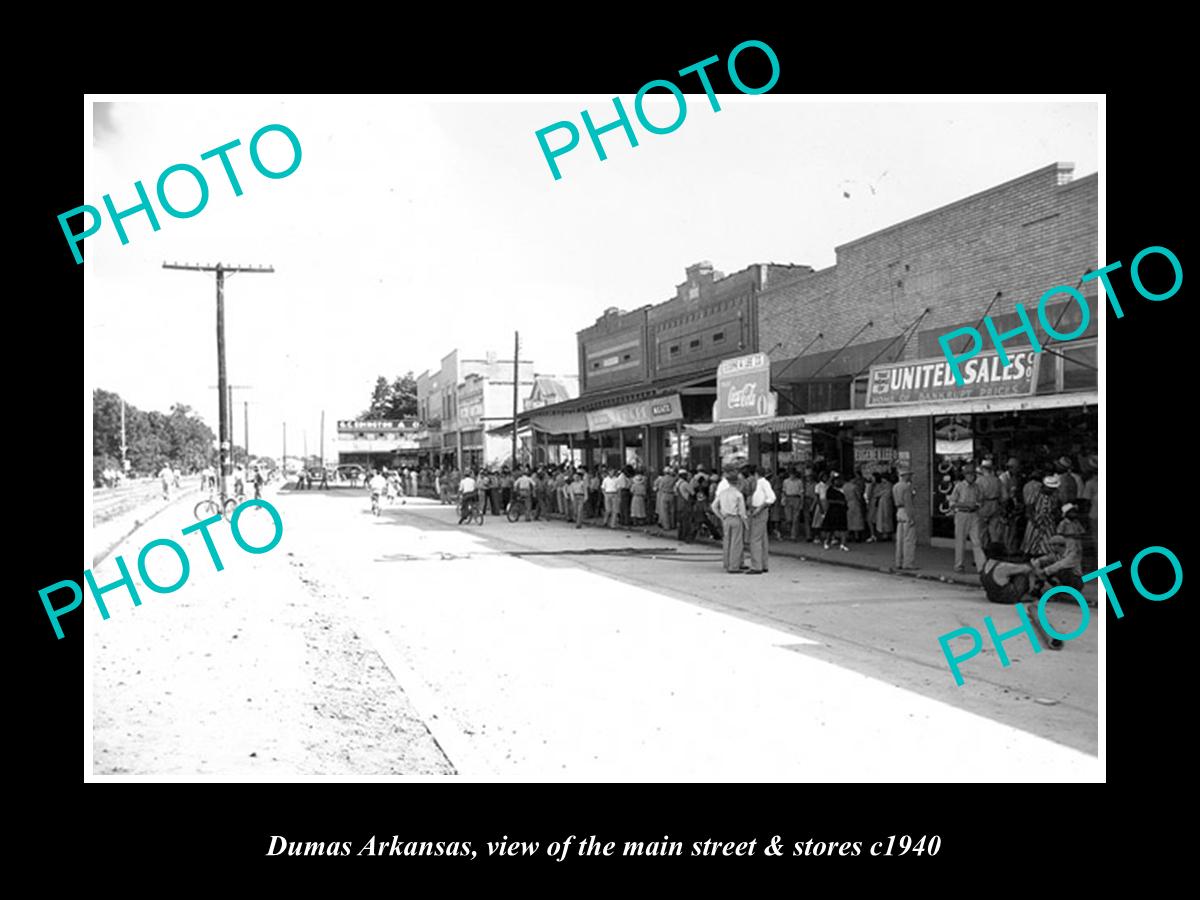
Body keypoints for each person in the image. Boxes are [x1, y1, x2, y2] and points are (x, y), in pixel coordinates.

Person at [711, 465, 749, 574]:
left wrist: (721, 516)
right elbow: (742, 512)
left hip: (726, 518)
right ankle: (734, 566)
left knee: (727, 541)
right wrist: (746, 523)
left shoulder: (722, 492)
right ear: (737, 482)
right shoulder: (738, 494)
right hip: (736, 518)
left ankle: (727, 563)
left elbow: (714, 506)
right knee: (736, 543)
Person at [949, 465, 984, 573]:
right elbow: (952, 503)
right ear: (965, 475)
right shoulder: (959, 486)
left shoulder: (977, 487)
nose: (972, 477)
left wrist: (976, 505)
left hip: (974, 514)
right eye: (969, 474)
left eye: (973, 475)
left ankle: (981, 566)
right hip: (962, 515)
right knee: (960, 541)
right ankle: (958, 565)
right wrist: (965, 505)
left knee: (977, 540)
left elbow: (980, 501)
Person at [747, 464, 776, 573]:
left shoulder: (763, 483)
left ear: (756, 474)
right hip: (759, 510)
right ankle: (763, 564)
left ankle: (756, 566)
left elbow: (771, 498)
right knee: (762, 539)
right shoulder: (761, 483)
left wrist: (759, 508)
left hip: (760, 511)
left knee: (755, 539)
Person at [1023, 474, 1060, 557]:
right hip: (1035, 518)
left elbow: (1055, 508)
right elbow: (1029, 507)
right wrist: (1032, 519)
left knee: (1048, 541)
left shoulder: (1054, 495)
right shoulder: (1036, 493)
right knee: (1032, 539)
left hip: (1048, 520)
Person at [892, 465, 918, 569]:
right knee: (909, 539)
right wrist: (911, 517)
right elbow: (908, 503)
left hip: (899, 511)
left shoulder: (896, 486)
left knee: (900, 539)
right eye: (910, 475)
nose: (911, 476)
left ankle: (898, 562)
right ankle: (908, 563)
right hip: (906, 511)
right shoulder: (906, 487)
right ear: (906, 475)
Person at [976, 458, 1003, 545]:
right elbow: (1005, 496)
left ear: (983, 469)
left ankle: (982, 549)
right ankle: (994, 550)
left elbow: (978, 496)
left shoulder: (979, 481)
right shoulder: (997, 480)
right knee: (993, 529)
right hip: (995, 505)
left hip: (984, 505)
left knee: (981, 530)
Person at [823, 474, 850, 551]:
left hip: (842, 511)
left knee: (843, 528)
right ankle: (827, 542)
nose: (838, 482)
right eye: (837, 480)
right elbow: (828, 500)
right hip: (832, 510)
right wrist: (838, 502)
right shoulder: (830, 490)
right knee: (830, 528)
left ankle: (843, 544)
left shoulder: (844, 489)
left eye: (840, 480)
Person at [782, 468, 804, 542]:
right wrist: (783, 499)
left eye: (793, 474)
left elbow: (801, 493)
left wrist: (801, 502)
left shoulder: (799, 482)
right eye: (791, 474)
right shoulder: (785, 481)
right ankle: (790, 531)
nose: (792, 475)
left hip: (796, 498)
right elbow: (784, 491)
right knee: (789, 518)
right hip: (788, 498)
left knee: (796, 518)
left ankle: (793, 536)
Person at [844, 470, 866, 542]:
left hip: (847, 503)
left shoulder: (844, 486)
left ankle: (848, 535)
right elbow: (859, 496)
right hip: (855, 502)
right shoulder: (854, 487)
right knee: (857, 520)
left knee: (849, 519)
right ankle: (857, 536)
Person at [874, 470, 896, 543]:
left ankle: (886, 534)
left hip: (886, 503)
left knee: (885, 517)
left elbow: (877, 494)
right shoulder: (885, 485)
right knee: (883, 518)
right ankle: (884, 533)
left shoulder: (888, 485)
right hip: (884, 503)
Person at [674, 468, 695, 542]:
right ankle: (685, 536)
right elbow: (692, 493)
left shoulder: (677, 484)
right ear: (683, 476)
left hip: (678, 504)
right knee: (686, 521)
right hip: (685, 504)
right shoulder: (685, 484)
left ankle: (680, 535)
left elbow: (675, 493)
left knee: (680, 521)